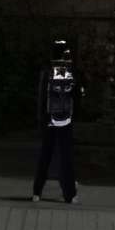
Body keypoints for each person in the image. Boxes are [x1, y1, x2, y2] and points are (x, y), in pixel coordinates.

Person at [30, 38, 82, 203]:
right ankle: (70, 194)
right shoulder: (70, 72)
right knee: (65, 158)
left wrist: (41, 120)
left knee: (45, 156)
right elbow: (77, 96)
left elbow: (42, 98)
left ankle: (37, 191)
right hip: (66, 120)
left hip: (49, 120)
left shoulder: (47, 72)